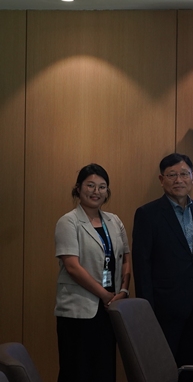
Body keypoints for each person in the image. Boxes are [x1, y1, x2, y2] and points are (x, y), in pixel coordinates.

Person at [132, 153, 193, 381]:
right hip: (163, 308)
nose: (179, 180)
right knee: (161, 370)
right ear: (161, 179)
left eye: (184, 174)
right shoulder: (147, 214)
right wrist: (147, 310)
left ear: (192, 177)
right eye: (172, 175)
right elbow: (142, 265)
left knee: (188, 368)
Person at [54, 163, 130, 382]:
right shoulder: (68, 221)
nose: (96, 191)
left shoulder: (114, 221)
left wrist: (123, 291)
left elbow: (126, 257)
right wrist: (104, 294)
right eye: (90, 185)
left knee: (104, 369)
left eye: (102, 187)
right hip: (78, 310)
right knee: (77, 371)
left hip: (110, 308)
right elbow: (72, 267)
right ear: (78, 188)